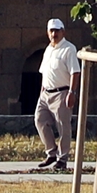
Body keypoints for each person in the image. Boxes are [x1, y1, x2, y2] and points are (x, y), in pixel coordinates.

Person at [35, 18, 82, 170]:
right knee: (40, 120)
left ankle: (62, 159)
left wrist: (72, 92)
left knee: (63, 127)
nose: (54, 34)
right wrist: (42, 91)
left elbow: (75, 72)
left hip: (62, 92)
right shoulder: (49, 49)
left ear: (63, 31)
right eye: (51, 31)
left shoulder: (69, 49)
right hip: (46, 93)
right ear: (48, 33)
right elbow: (44, 72)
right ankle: (51, 153)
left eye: (57, 30)